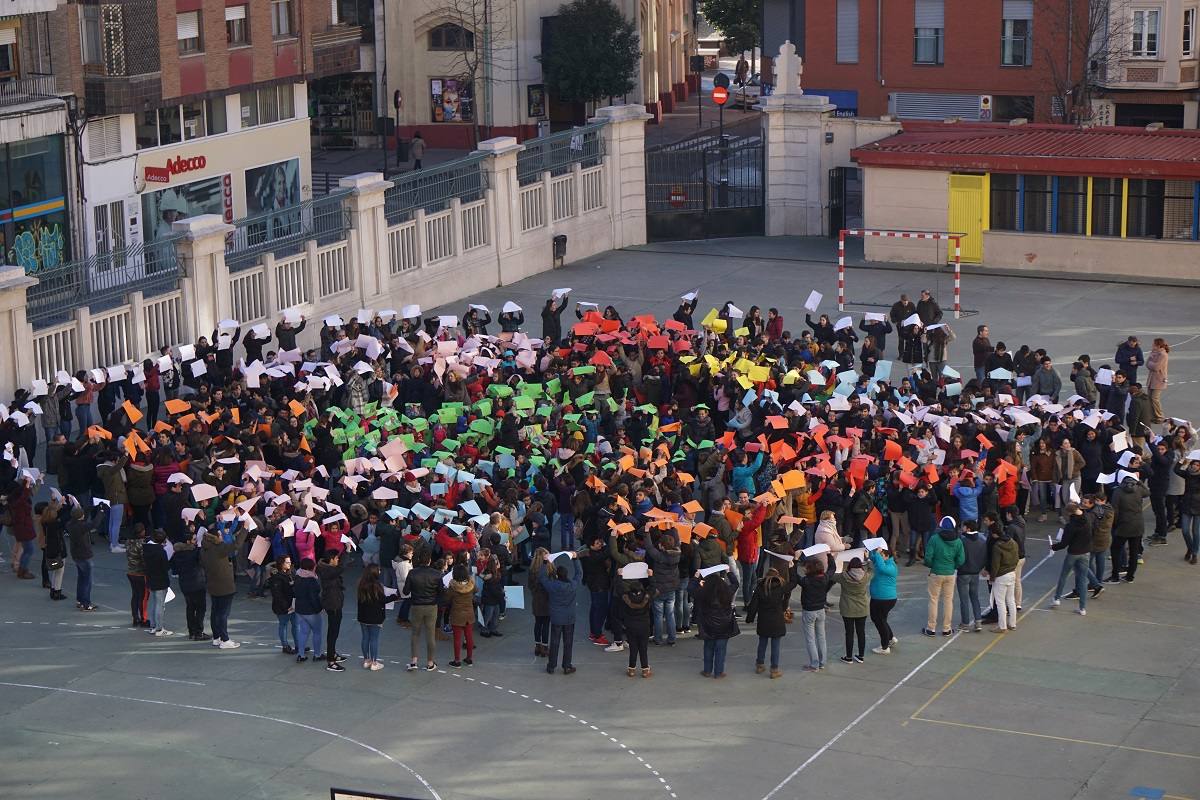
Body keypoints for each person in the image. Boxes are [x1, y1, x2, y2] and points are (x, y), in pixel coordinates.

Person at [540, 551, 581, 675]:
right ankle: (567, 665)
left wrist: (545, 562)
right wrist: (575, 559)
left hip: (557, 617)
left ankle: (551, 666)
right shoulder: (572, 585)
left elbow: (542, 577)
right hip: (569, 617)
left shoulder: (552, 585)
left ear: (557, 575)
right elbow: (579, 574)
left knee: (554, 642)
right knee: (568, 643)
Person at [694, 567, 739, 678]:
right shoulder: (727, 592)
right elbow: (735, 583)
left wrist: (695, 578)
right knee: (721, 650)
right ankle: (719, 672)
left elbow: (690, 588)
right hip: (724, 625)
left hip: (708, 625)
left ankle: (707, 670)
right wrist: (729, 572)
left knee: (708, 647)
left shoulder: (703, 593)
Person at [923, 516, 964, 637]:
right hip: (950, 573)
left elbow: (927, 557)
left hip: (936, 573)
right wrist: (953, 566)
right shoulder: (958, 541)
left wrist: (933, 566)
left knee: (933, 600)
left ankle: (931, 628)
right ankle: (947, 628)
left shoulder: (935, 539)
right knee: (948, 600)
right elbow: (961, 560)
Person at [403, 548, 442, 672]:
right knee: (430, 635)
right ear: (430, 561)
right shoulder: (436, 574)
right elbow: (441, 591)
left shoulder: (413, 573)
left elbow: (405, 591)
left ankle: (414, 661)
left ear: (419, 560)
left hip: (416, 606)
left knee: (415, 633)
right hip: (431, 606)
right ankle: (430, 662)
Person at [201, 526, 239, 649]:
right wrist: (244, 529)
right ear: (216, 537)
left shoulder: (204, 549)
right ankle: (225, 639)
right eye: (220, 534)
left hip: (213, 584)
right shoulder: (219, 548)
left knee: (215, 611)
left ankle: (216, 637)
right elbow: (236, 545)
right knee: (223, 614)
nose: (222, 536)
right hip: (225, 585)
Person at [1051, 502, 1092, 615]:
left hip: (1073, 553)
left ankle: (1057, 598)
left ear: (1070, 512)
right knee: (1083, 580)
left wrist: (1053, 547)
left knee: (1064, 575)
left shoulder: (1071, 526)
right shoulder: (1088, 518)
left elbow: (1064, 543)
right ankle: (1082, 608)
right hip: (1085, 552)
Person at [1109, 475, 1149, 582]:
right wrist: (1140, 483)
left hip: (1123, 525)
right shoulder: (1139, 489)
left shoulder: (1118, 492)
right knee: (1134, 552)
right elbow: (1147, 493)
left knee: (1115, 549)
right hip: (1137, 525)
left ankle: (1115, 575)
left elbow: (1115, 510)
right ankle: (1130, 576)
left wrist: (1115, 524)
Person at [833, 556, 872, 664]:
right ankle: (861, 656)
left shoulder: (843, 576)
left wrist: (832, 559)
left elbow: (830, 574)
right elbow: (873, 569)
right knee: (861, 632)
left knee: (849, 633)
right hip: (862, 608)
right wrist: (868, 559)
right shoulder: (866, 576)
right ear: (860, 566)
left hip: (847, 608)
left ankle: (848, 657)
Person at [795, 558, 831, 672]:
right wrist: (830, 555)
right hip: (820, 610)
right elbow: (833, 568)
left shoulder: (806, 581)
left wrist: (793, 563)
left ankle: (814, 664)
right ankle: (822, 662)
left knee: (810, 639)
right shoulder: (824, 578)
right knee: (821, 637)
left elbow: (794, 577)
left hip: (809, 611)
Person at [988, 521, 1021, 632]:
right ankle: (1012, 623)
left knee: (1000, 602)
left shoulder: (997, 546)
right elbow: (1017, 558)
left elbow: (995, 564)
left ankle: (1002, 626)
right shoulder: (1013, 542)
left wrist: (992, 578)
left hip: (1001, 576)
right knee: (1011, 600)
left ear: (994, 534)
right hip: (1012, 573)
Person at [955, 520, 986, 632]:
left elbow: (958, 557)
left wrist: (957, 566)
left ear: (968, 528)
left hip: (963, 573)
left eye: (963, 527)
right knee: (975, 597)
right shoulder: (982, 540)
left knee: (964, 599)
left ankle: (965, 623)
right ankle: (978, 622)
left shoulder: (962, 541)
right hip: (975, 573)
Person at [356, 563, 387, 671]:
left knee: (365, 638)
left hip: (363, 616)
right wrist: (394, 596)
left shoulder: (361, 584)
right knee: (374, 639)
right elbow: (383, 600)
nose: (380, 572)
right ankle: (374, 662)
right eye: (378, 570)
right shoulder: (377, 586)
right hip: (375, 617)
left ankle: (366, 660)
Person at [868, 546, 898, 654]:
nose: (879, 558)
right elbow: (874, 558)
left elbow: (881, 568)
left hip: (883, 599)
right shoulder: (883, 562)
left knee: (879, 620)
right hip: (881, 598)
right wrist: (872, 551)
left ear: (887, 556)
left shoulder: (891, 566)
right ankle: (890, 638)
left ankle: (885, 647)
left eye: (881, 555)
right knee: (882, 620)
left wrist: (877, 553)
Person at [620, 579, 653, 678]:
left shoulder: (626, 597)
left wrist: (619, 576)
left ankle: (631, 669)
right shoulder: (646, 597)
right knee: (643, 648)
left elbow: (619, 588)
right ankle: (645, 670)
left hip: (631, 626)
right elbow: (654, 588)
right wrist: (651, 577)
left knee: (633, 648)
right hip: (644, 625)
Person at [445, 563, 476, 667]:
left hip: (457, 614)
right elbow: (476, 590)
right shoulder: (471, 584)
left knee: (457, 638)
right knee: (469, 637)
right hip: (469, 613)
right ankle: (469, 658)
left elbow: (447, 599)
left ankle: (457, 660)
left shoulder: (453, 586)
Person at [143, 528, 172, 636]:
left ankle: (154, 626)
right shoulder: (160, 551)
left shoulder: (146, 548)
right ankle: (159, 628)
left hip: (151, 578)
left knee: (154, 603)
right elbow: (166, 567)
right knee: (160, 604)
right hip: (160, 580)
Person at [66, 505, 96, 611]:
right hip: (84, 555)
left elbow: (83, 516)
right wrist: (101, 512)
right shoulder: (81, 527)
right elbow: (94, 524)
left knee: (81, 578)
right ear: (81, 516)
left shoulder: (71, 524)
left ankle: (80, 600)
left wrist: (89, 508)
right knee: (87, 580)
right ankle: (86, 603)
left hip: (76, 555)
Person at [293, 557, 323, 662]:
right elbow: (314, 598)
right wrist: (319, 608)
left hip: (299, 609)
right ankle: (317, 654)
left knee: (303, 632)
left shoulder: (297, 576)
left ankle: (301, 655)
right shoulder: (312, 580)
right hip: (311, 610)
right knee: (317, 632)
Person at [267, 556, 298, 655]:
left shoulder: (291, 573)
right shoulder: (276, 578)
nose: (290, 564)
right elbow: (277, 595)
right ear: (281, 564)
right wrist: (286, 606)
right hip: (283, 606)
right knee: (283, 624)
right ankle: (285, 646)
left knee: (296, 625)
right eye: (287, 562)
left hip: (293, 604)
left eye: (290, 562)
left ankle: (298, 644)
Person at [125, 523, 149, 628]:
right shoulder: (142, 545)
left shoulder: (128, 542)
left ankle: (135, 617)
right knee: (143, 596)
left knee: (135, 595)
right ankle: (143, 619)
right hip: (140, 573)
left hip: (131, 571)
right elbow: (144, 560)